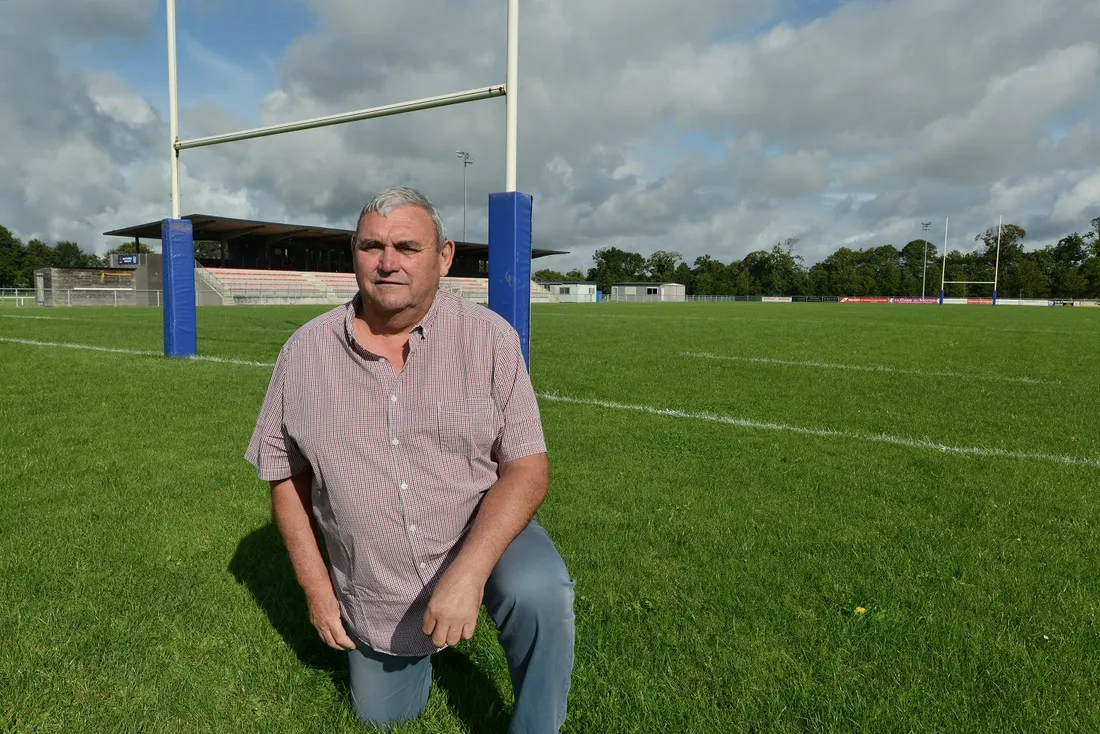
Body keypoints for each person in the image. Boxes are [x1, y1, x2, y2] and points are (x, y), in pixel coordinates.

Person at [245, 186, 575, 732]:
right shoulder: (303, 353)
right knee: (385, 718)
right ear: (353, 253)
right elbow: (284, 474)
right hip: (377, 582)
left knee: (540, 590)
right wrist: (317, 590)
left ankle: (536, 725)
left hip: (480, 532)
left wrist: (468, 575)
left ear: (443, 256)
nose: (388, 262)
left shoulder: (491, 340)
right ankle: (409, 645)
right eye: (372, 246)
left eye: (407, 246)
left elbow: (527, 466)